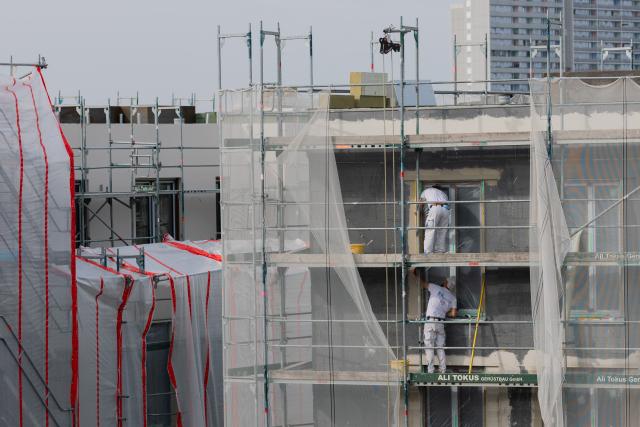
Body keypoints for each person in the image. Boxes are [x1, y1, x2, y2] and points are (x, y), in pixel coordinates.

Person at [421, 276, 457, 374]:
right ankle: (442, 370)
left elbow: (422, 284)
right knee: (440, 347)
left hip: (430, 321)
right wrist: (444, 313)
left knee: (429, 346)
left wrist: (413, 273)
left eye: (445, 281)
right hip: (441, 322)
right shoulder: (453, 298)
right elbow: (453, 314)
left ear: (446, 283)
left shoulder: (436, 288)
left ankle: (430, 370)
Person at [419, 185, 450, 253]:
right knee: (442, 231)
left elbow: (421, 202)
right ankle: (440, 250)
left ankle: (428, 252)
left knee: (430, 230)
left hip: (435, 208)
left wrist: (418, 211)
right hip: (446, 210)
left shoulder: (426, 191)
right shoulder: (443, 194)